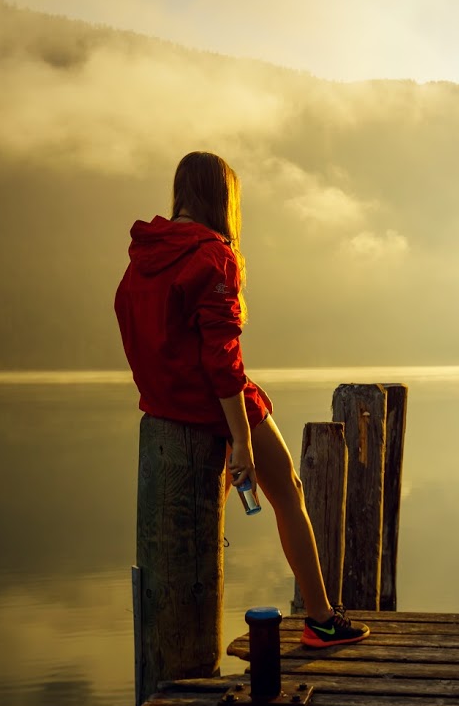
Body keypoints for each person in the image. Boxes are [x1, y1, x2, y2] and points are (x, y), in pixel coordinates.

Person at [114, 151, 369, 649]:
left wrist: (162, 392)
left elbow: (134, 329)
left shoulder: (143, 256)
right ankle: (319, 620)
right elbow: (223, 361)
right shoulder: (213, 255)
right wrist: (242, 441)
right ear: (222, 197)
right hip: (216, 406)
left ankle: (175, 649)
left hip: (164, 411)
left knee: (192, 528)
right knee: (289, 494)